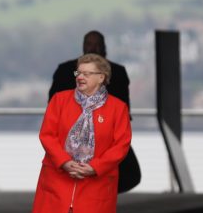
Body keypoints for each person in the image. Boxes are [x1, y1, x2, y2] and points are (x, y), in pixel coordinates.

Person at [32, 53, 131, 213]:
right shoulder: (60, 100)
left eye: (87, 73)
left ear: (102, 78)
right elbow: (47, 135)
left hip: (97, 180)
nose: (81, 77)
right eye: (79, 72)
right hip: (62, 177)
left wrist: (95, 167)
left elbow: (121, 145)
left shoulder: (118, 108)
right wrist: (65, 162)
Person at [48, 30, 140, 192]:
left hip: (106, 138)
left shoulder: (117, 73)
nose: (93, 48)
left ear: (104, 48)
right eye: (89, 44)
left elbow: (124, 112)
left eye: (97, 45)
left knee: (123, 178)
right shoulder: (67, 71)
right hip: (68, 140)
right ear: (83, 47)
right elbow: (53, 111)